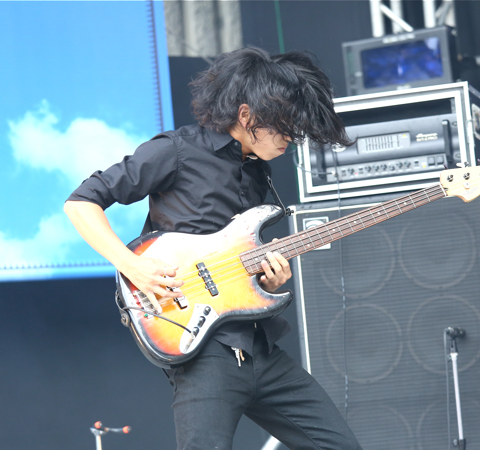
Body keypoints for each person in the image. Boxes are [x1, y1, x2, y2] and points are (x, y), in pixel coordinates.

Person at [64, 47, 362, 450]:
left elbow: (234, 268)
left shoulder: (257, 172)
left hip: (260, 349)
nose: (292, 138)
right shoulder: (177, 150)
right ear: (247, 115)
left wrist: (268, 279)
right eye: (285, 127)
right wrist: (132, 266)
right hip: (204, 353)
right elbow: (81, 203)